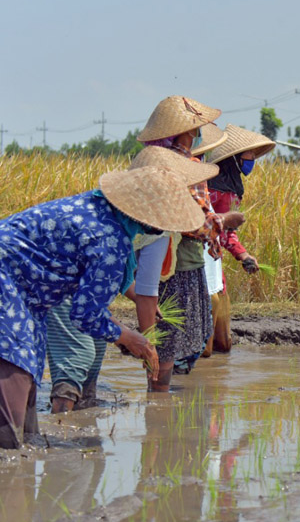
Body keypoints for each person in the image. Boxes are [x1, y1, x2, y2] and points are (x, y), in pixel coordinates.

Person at [0, 166, 204, 448]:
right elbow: (84, 316)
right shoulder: (109, 239)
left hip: (27, 292)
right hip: (8, 282)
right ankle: (10, 463)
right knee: (14, 362)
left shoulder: (98, 205)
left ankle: (26, 448)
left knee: (29, 368)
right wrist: (131, 339)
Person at [136, 97, 242, 390]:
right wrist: (224, 221)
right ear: (186, 132)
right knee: (171, 337)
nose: (196, 134)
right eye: (194, 129)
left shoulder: (152, 163)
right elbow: (194, 220)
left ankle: (158, 395)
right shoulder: (187, 167)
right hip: (179, 262)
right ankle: (159, 398)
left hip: (158, 259)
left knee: (164, 332)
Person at [204, 125, 276, 354]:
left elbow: (226, 233)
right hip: (201, 259)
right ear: (234, 159)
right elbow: (214, 226)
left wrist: (242, 254)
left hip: (215, 260)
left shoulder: (232, 187)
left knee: (223, 343)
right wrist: (239, 250)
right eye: (249, 156)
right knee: (208, 343)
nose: (252, 160)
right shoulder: (210, 188)